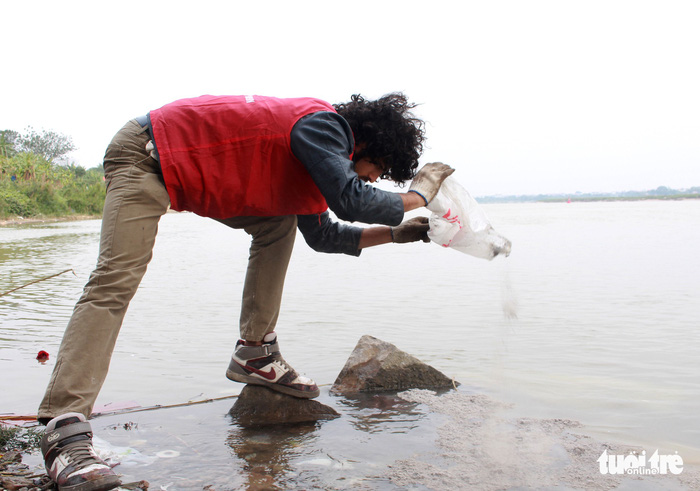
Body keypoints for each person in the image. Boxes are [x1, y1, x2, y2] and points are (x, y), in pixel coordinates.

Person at [37, 92, 454, 490]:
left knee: (278, 224)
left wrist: (396, 235)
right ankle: (64, 430)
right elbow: (352, 201)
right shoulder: (324, 126)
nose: (375, 178)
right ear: (363, 141)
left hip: (190, 176)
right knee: (114, 282)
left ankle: (255, 352)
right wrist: (417, 195)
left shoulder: (311, 168)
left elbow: (325, 235)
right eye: (377, 167)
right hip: (146, 156)